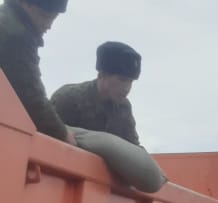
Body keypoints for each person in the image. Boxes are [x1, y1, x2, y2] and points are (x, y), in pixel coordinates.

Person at [0, 0, 76, 144]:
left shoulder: (7, 18)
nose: (48, 25)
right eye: (45, 16)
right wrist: (62, 134)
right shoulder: (16, 34)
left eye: (54, 18)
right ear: (24, 3)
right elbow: (30, 96)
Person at [52, 41, 141, 144]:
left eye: (131, 82)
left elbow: (133, 147)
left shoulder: (123, 107)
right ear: (102, 75)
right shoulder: (68, 99)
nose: (127, 88)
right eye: (122, 80)